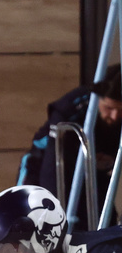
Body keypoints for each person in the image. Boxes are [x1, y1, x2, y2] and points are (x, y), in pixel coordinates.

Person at [18, 64, 122, 227]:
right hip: (46, 165)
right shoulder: (73, 107)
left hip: (93, 175)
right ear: (97, 99)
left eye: (120, 110)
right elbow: (52, 165)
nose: (114, 116)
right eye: (108, 108)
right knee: (39, 224)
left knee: (104, 228)